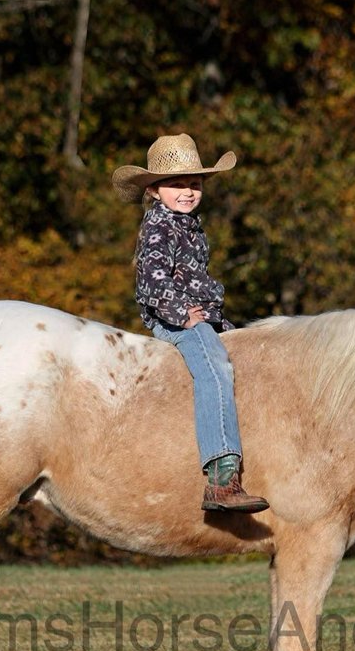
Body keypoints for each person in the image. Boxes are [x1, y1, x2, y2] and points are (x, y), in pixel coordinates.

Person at [112, 133, 269, 513]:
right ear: (153, 190)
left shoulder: (190, 226)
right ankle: (221, 478)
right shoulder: (158, 226)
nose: (188, 192)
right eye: (177, 184)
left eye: (195, 184)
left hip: (206, 318)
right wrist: (182, 313)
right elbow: (150, 281)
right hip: (176, 321)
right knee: (214, 367)